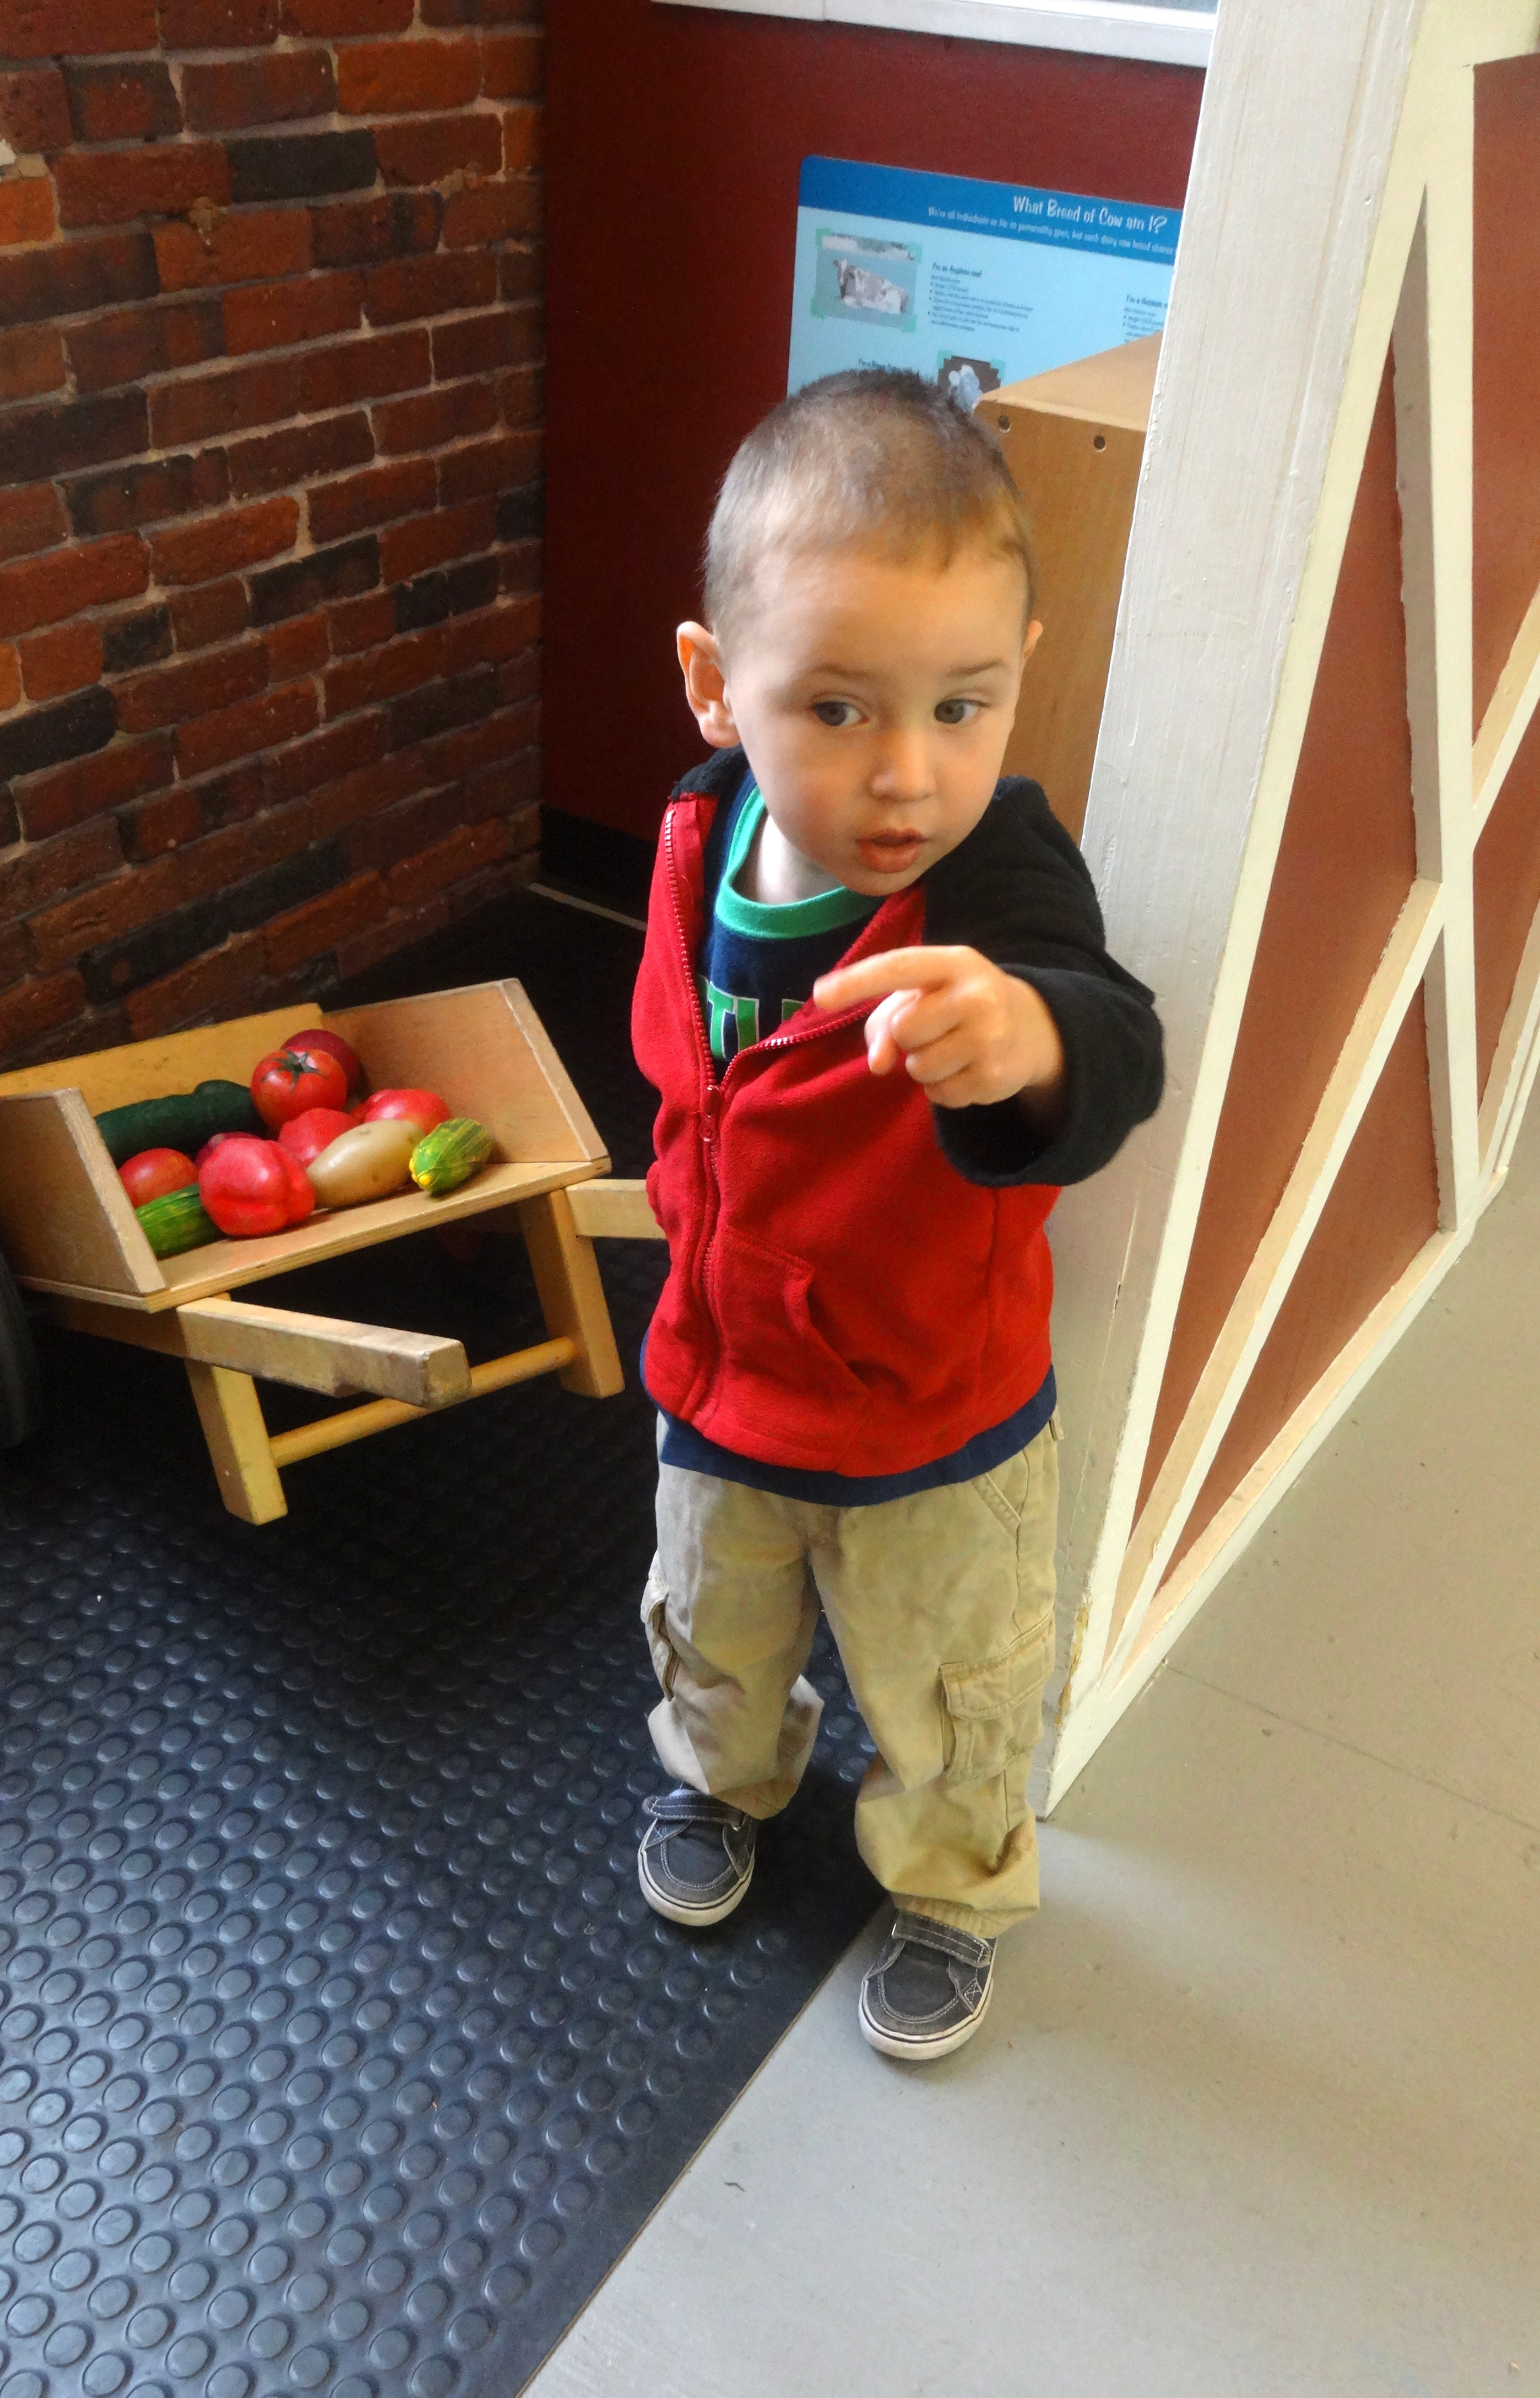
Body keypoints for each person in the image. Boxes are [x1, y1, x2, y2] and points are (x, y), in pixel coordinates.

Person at [629, 367, 1164, 2060]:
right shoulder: (697, 830)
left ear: (1018, 675)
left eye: (961, 705)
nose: (907, 776)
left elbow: (1117, 1037)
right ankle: (721, 1782)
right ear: (715, 687)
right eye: (838, 709)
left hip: (934, 1418)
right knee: (713, 1628)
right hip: (721, 1379)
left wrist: (1029, 1040)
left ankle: (951, 1881)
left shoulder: (993, 872)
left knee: (947, 1685)